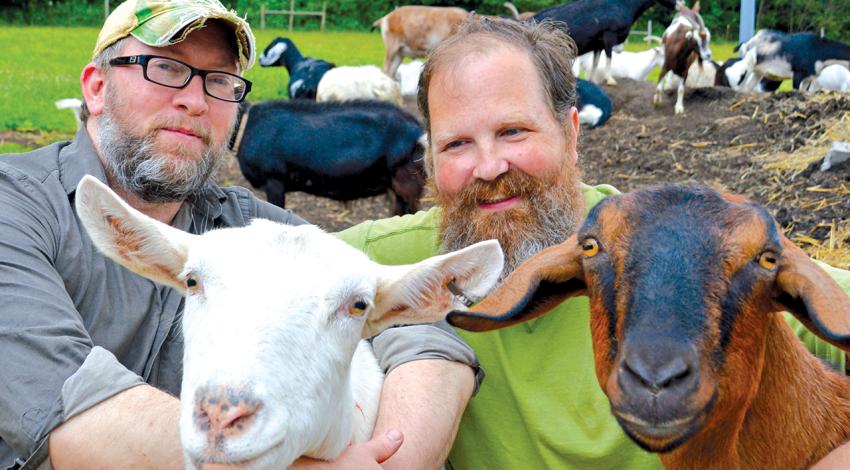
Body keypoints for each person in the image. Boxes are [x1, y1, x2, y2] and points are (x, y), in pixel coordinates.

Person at [336, 16, 850, 469]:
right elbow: (259, 248)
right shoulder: (396, 258)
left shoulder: (694, 250)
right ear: (428, 159)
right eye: (457, 144)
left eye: (514, 131)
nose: (489, 167)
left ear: (571, 132)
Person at [0, 1, 479, 468]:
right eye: (164, 68)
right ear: (97, 87)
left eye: (221, 81)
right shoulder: (16, 208)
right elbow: (62, 414)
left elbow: (422, 330)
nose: (196, 99)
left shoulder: (252, 230)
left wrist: (397, 459)